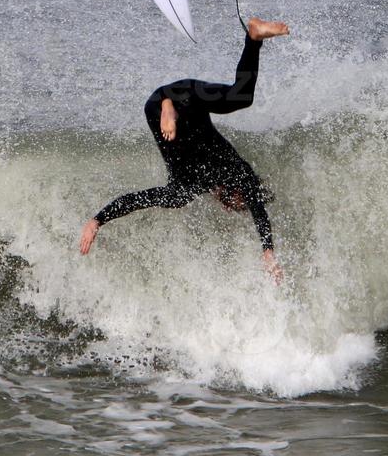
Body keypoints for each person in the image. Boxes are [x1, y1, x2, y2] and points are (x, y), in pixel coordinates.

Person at [80, 17, 291, 282]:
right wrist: (97, 220)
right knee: (192, 127)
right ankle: (173, 107)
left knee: (241, 98)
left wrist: (98, 220)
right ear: (231, 198)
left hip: (181, 97)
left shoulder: (212, 180)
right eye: (239, 203)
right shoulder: (208, 181)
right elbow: (256, 206)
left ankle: (253, 39)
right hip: (163, 105)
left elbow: (138, 199)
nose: (238, 205)